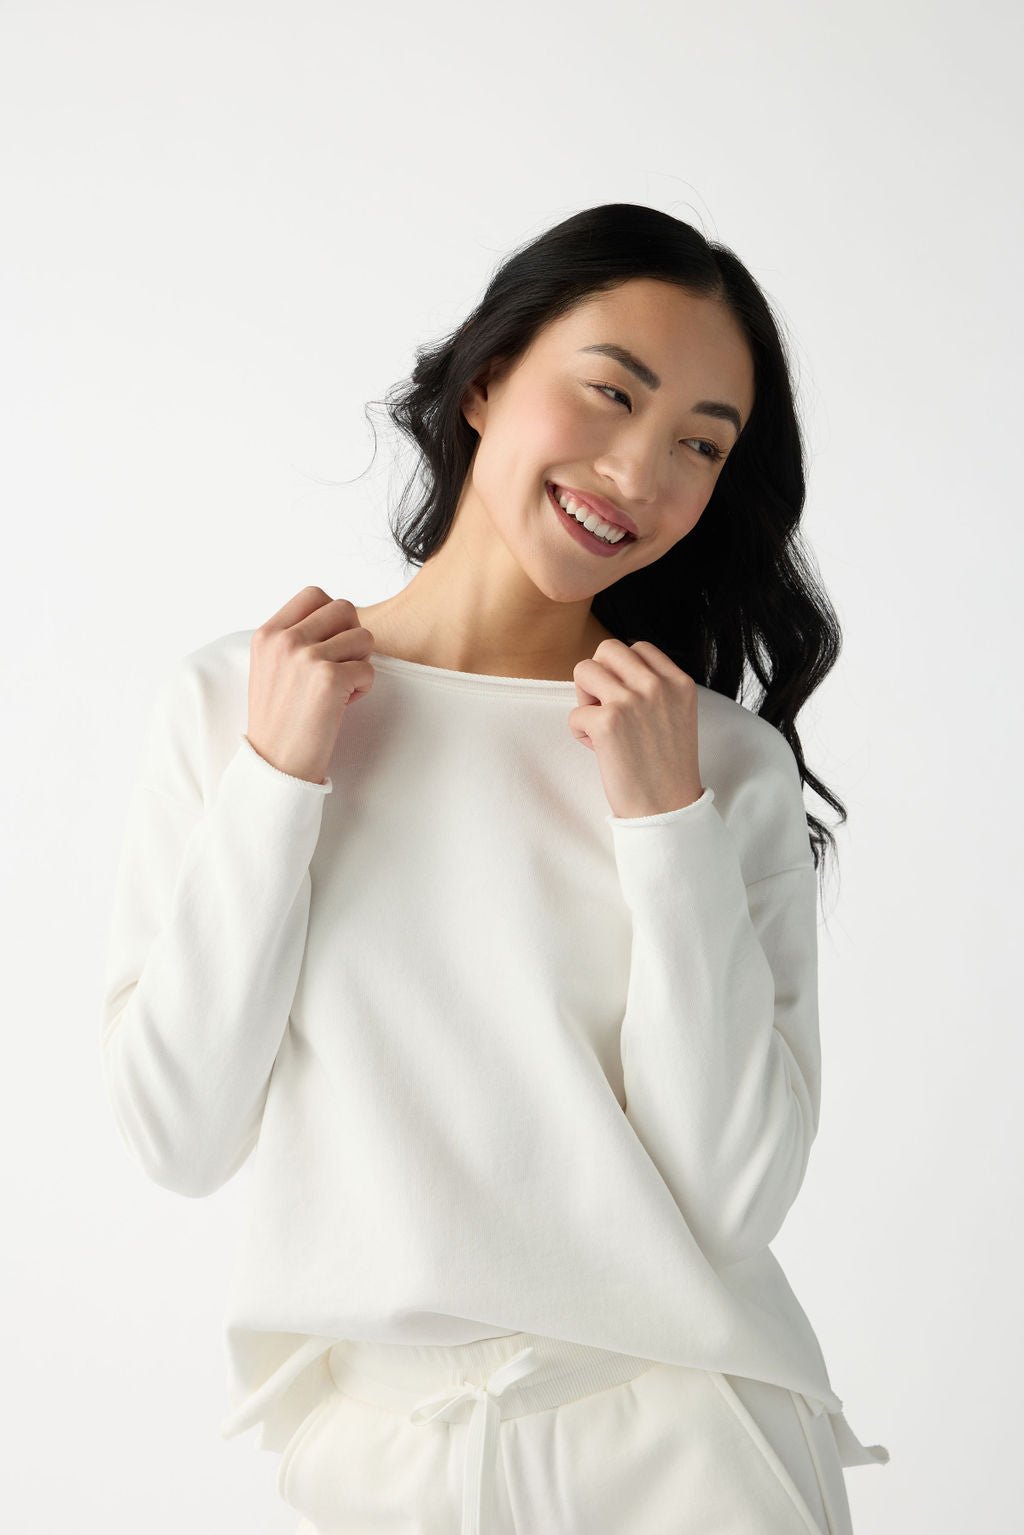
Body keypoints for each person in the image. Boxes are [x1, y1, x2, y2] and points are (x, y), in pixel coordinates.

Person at [99, 202, 890, 1534]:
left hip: (683, 1448)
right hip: (381, 1458)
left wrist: (665, 825)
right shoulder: (236, 703)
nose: (641, 472)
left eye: (701, 443)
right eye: (610, 394)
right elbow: (179, 1132)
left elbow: (733, 1197)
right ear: (486, 382)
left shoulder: (720, 767)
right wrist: (279, 784)